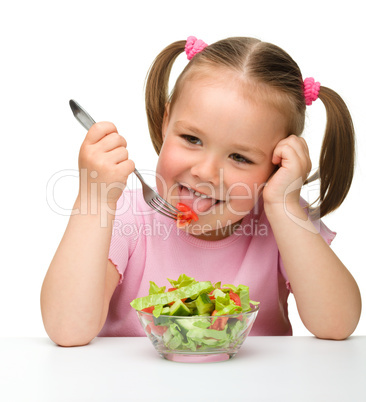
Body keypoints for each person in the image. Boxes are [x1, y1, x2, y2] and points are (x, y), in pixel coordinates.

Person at [41, 36, 361, 346]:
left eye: (240, 157)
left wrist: (283, 204)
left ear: (276, 167)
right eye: (192, 139)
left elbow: (336, 324)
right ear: (167, 122)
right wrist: (95, 198)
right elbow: (67, 329)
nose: (205, 172)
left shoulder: (283, 219)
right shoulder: (123, 213)